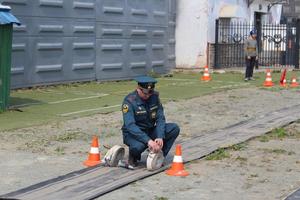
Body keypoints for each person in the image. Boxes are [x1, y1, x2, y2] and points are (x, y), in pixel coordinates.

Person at [121, 76, 180, 167]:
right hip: (133, 134)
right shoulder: (129, 101)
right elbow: (130, 125)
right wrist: (148, 141)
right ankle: (133, 157)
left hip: (149, 130)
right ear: (138, 89)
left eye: (150, 92)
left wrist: (160, 136)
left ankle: (158, 156)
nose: (148, 95)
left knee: (174, 128)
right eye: (145, 93)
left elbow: (160, 118)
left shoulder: (154, 97)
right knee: (137, 147)